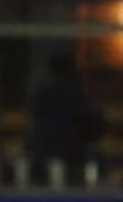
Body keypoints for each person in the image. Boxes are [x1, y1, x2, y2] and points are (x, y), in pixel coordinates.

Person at [27, 52, 104, 189]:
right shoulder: (54, 93)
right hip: (62, 150)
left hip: (61, 150)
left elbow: (89, 120)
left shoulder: (69, 93)